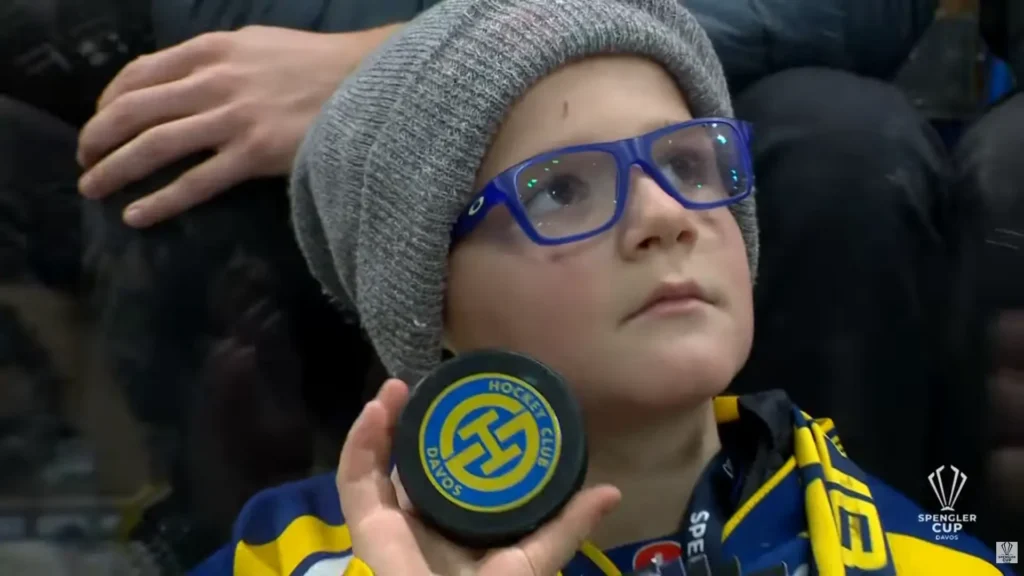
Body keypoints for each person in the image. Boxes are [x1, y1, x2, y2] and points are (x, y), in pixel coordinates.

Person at [191, 0, 1009, 574]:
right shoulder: (287, 557)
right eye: (560, 189)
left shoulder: (931, 561)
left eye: (687, 163)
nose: (666, 215)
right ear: (427, 297)